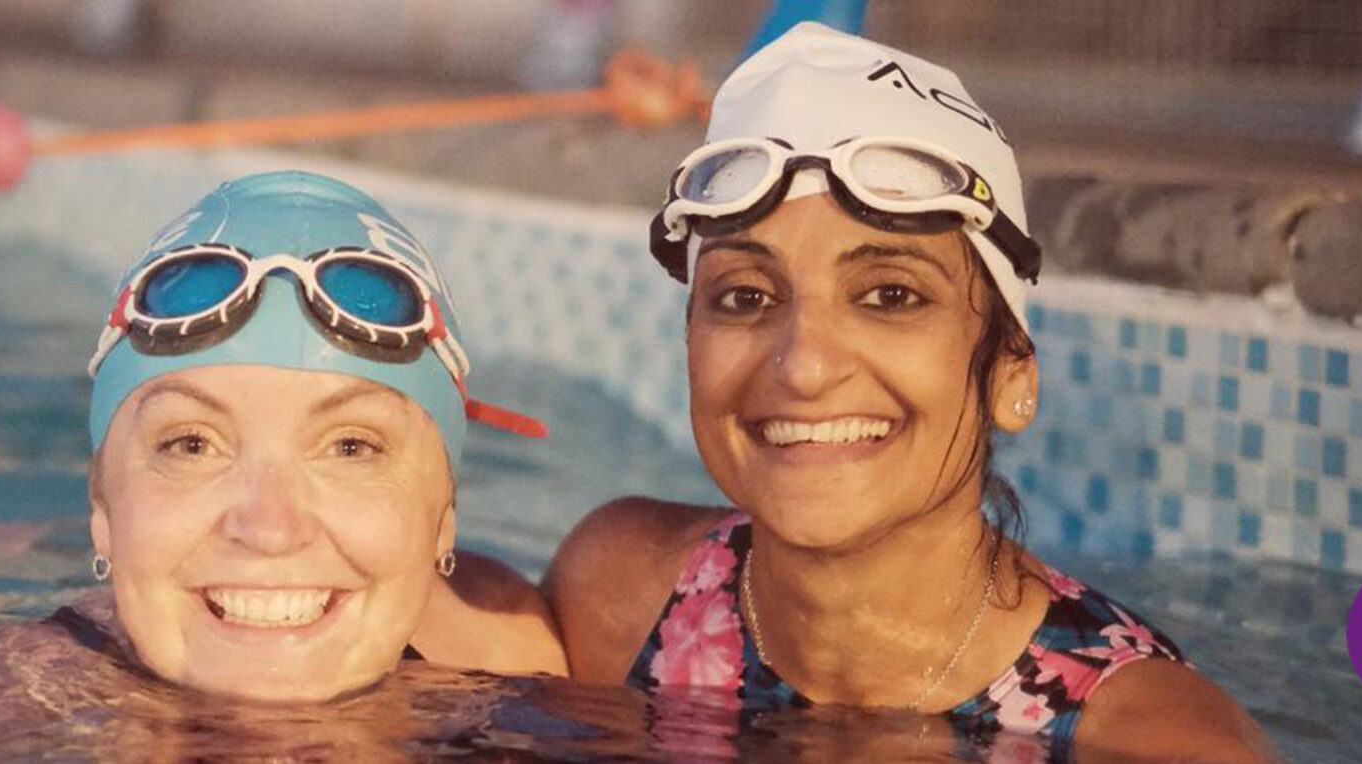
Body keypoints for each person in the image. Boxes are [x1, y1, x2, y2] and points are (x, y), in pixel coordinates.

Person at [541, 23, 1277, 762]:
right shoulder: (620, 594)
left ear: (1010, 374)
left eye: (891, 295)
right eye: (745, 297)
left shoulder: (1148, 742)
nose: (804, 368)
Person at [82, 169, 562, 702]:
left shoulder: (516, 676)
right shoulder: (17, 714)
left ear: (443, 519)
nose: (270, 531)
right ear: (102, 510)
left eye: (351, 448)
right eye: (192, 445)